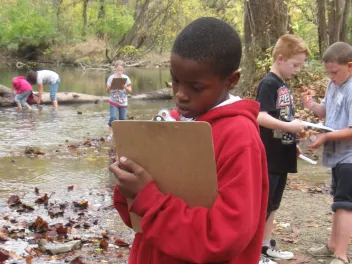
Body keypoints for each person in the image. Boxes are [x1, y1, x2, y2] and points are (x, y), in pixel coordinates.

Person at [109, 17, 268, 264]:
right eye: (174, 80)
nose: (181, 94)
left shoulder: (240, 138)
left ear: (232, 80)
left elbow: (224, 238)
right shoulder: (172, 124)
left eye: (196, 87)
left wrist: (148, 199)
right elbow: (138, 221)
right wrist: (127, 181)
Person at [256, 34, 310, 263]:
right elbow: (259, 116)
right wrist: (289, 126)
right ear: (280, 58)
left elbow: (284, 117)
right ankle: (254, 251)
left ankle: (266, 246)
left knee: (274, 204)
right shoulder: (269, 83)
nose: (298, 69)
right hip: (269, 157)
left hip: (283, 154)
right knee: (263, 205)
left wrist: (293, 142)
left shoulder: (283, 86)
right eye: (295, 64)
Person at [301, 42, 352, 264]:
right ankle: (332, 245)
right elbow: (326, 112)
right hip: (337, 157)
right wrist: (311, 105)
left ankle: (341, 254)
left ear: (350, 66)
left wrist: (326, 137)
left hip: (350, 157)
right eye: (328, 72)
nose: (330, 76)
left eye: (335, 72)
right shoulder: (334, 85)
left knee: (345, 204)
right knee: (337, 201)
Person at [106, 60, 132, 137]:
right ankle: (110, 133)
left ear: (123, 70)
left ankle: (121, 134)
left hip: (123, 101)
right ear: (115, 69)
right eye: (118, 70)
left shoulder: (126, 78)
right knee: (113, 117)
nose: (119, 72)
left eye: (121, 70)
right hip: (113, 101)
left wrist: (125, 87)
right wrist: (110, 87)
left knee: (122, 119)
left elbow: (130, 90)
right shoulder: (111, 78)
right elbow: (107, 90)